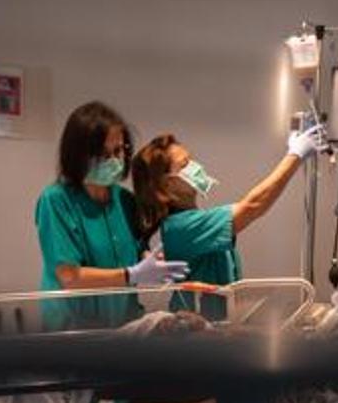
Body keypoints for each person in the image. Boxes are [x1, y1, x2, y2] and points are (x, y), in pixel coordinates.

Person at [130, 124, 325, 320]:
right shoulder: (180, 227)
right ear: (166, 184)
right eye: (185, 164)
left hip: (215, 326)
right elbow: (252, 206)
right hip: (195, 331)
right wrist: (295, 155)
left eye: (192, 160)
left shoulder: (192, 221)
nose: (196, 167)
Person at [34, 101, 188, 331]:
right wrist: (131, 274)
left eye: (118, 151)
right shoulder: (56, 200)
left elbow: (135, 250)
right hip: (72, 330)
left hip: (122, 323)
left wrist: (150, 261)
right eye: (102, 155)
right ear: (77, 156)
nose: (114, 161)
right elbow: (69, 277)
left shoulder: (124, 200)